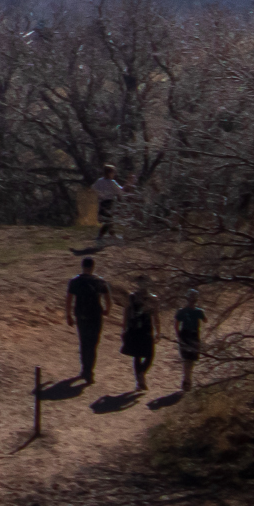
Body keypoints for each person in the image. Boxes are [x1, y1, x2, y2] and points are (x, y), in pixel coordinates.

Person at [65, 256, 111, 386]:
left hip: (81, 315)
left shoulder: (75, 281)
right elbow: (108, 299)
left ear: (82, 266)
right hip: (95, 316)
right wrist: (107, 309)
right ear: (93, 267)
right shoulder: (100, 281)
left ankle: (85, 369)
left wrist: (68, 315)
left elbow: (69, 299)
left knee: (84, 342)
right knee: (93, 344)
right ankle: (89, 371)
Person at [120, 283, 158, 392]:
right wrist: (158, 331)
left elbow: (126, 314)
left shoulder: (132, 297)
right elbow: (155, 317)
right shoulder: (152, 299)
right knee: (150, 355)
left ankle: (139, 381)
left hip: (134, 330)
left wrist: (124, 329)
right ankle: (141, 374)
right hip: (147, 330)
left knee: (137, 356)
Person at [174, 289, 208, 394]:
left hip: (187, 335)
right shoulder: (197, 311)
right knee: (189, 359)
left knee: (188, 359)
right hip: (191, 335)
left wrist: (179, 335)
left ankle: (186, 379)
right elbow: (205, 320)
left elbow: (176, 325)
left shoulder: (183, 311)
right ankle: (187, 380)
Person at [91, 165, 131, 242]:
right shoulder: (112, 182)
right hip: (109, 202)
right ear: (109, 173)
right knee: (108, 220)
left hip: (102, 202)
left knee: (108, 219)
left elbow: (93, 188)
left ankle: (111, 234)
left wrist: (100, 195)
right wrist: (126, 186)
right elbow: (120, 191)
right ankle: (100, 236)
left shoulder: (99, 181)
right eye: (113, 172)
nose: (114, 174)